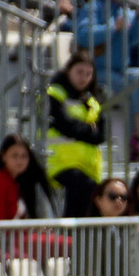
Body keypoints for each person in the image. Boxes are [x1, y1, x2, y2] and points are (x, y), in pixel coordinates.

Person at [45, 49, 107, 218]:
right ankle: (67, 241)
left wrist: (81, 129)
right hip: (60, 164)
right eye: (79, 72)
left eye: (88, 74)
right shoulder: (54, 94)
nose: (84, 78)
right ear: (68, 71)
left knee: (88, 208)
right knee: (81, 197)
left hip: (88, 167)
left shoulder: (92, 101)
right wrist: (89, 129)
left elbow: (101, 135)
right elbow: (64, 125)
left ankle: (75, 242)